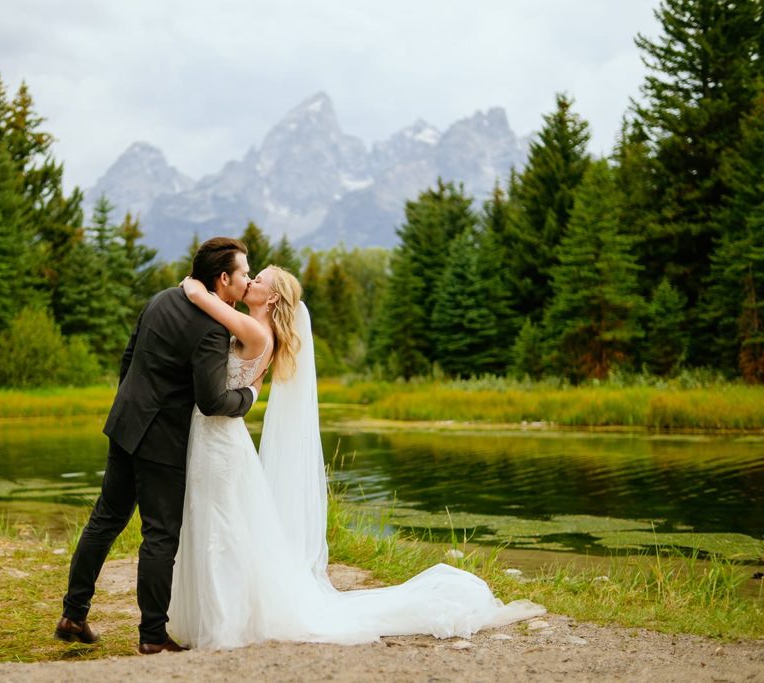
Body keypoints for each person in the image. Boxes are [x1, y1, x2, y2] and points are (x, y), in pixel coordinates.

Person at [168, 265, 545, 649]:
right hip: (220, 437)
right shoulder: (255, 328)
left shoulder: (255, 331)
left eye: (258, 279)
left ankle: (222, 619)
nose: (249, 282)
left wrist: (194, 289)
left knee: (223, 527)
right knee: (224, 526)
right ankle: (219, 613)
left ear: (273, 297)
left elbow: (204, 303)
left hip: (222, 438)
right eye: (250, 275)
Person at [56, 237, 262, 655]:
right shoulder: (211, 329)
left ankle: (73, 614)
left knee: (105, 519)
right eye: (243, 272)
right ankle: (152, 636)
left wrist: (129, 404)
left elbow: (128, 358)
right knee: (160, 536)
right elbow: (212, 401)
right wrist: (251, 397)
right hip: (162, 440)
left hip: (125, 422)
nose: (247, 279)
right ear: (223, 279)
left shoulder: (164, 297)